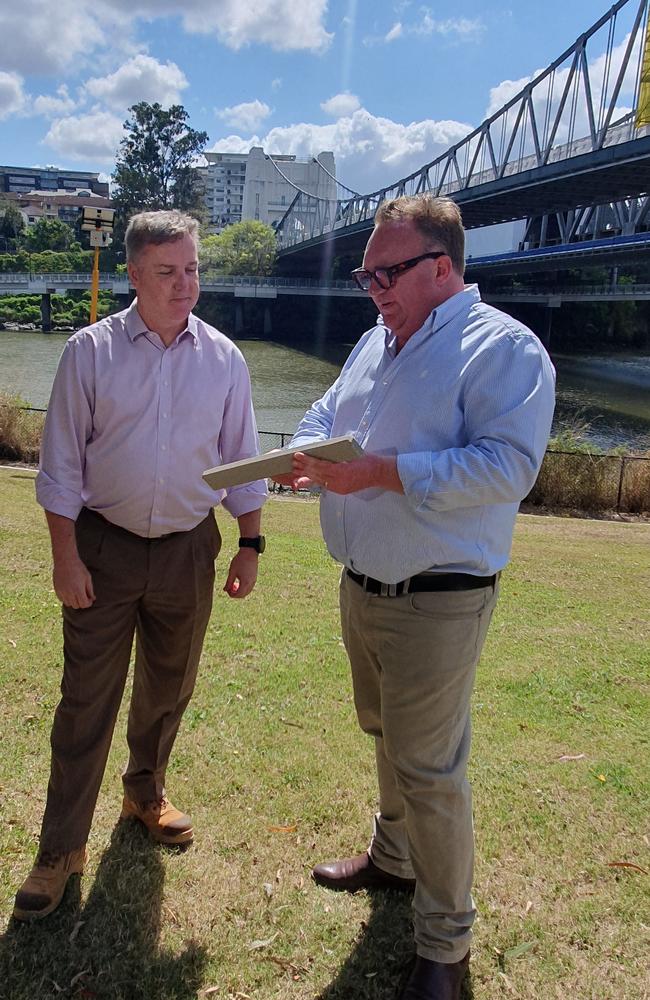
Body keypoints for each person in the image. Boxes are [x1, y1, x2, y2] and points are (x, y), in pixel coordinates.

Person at [274, 195, 555, 1000]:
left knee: (429, 770)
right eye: (366, 274)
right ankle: (393, 858)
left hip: (439, 596)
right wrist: (304, 449)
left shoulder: (503, 350)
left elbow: (508, 468)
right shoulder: (376, 340)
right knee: (383, 732)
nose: (372, 288)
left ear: (442, 266)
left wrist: (383, 471)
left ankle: (446, 949)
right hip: (362, 581)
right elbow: (331, 410)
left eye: (386, 272)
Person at [13, 210, 267, 922]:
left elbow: (244, 462)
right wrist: (65, 557)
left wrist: (250, 541)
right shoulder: (88, 353)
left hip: (190, 546)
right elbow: (61, 467)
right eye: (168, 271)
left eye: (192, 270)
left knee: (169, 687)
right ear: (133, 273)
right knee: (84, 701)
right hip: (104, 545)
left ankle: (143, 794)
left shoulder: (224, 359)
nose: (185, 285)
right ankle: (60, 849)